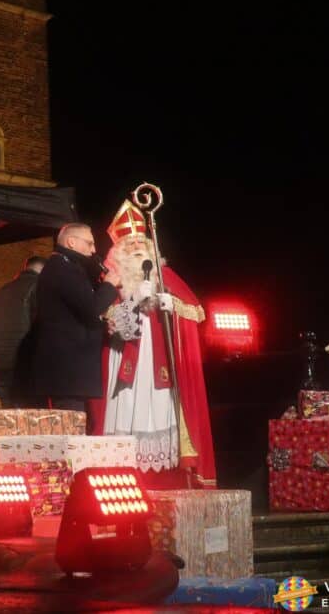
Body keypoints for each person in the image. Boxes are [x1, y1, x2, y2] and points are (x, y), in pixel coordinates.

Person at [88, 201, 216, 489]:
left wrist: (171, 305)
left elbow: (194, 313)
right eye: (129, 243)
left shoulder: (164, 275)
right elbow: (111, 325)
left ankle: (164, 474)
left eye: (141, 242)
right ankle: (126, 469)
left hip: (159, 362)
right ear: (118, 252)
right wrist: (133, 300)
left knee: (160, 406)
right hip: (125, 357)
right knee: (126, 405)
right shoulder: (112, 280)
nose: (137, 247)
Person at [28, 223, 121, 431]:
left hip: (67, 370)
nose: (94, 250)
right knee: (70, 430)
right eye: (89, 243)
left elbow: (74, 313)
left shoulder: (64, 266)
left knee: (72, 427)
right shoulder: (63, 269)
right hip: (68, 372)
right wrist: (109, 285)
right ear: (71, 242)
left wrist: (102, 324)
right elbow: (92, 307)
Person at [0, 256, 46, 407]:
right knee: (31, 414)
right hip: (26, 364)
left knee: (8, 412)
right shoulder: (39, 288)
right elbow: (42, 327)